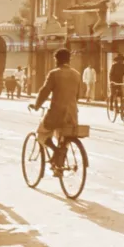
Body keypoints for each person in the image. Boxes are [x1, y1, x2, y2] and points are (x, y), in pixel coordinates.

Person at [30, 48, 81, 176]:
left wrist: (37, 106)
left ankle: (55, 150)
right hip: (72, 114)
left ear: (56, 60)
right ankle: (59, 167)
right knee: (65, 139)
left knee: (41, 134)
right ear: (68, 60)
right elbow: (79, 95)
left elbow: (44, 92)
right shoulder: (76, 74)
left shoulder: (54, 73)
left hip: (56, 113)